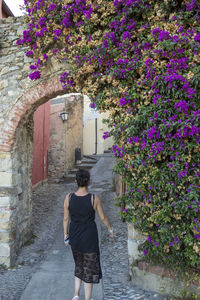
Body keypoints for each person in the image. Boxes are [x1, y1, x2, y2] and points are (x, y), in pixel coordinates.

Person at [63, 168, 113, 300]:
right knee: (88, 269)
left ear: (76, 181)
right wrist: (110, 229)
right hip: (89, 237)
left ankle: (76, 294)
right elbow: (102, 217)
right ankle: (87, 298)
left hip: (75, 236)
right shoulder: (93, 198)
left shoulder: (68, 198)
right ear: (88, 181)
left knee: (79, 264)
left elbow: (66, 219)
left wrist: (65, 234)